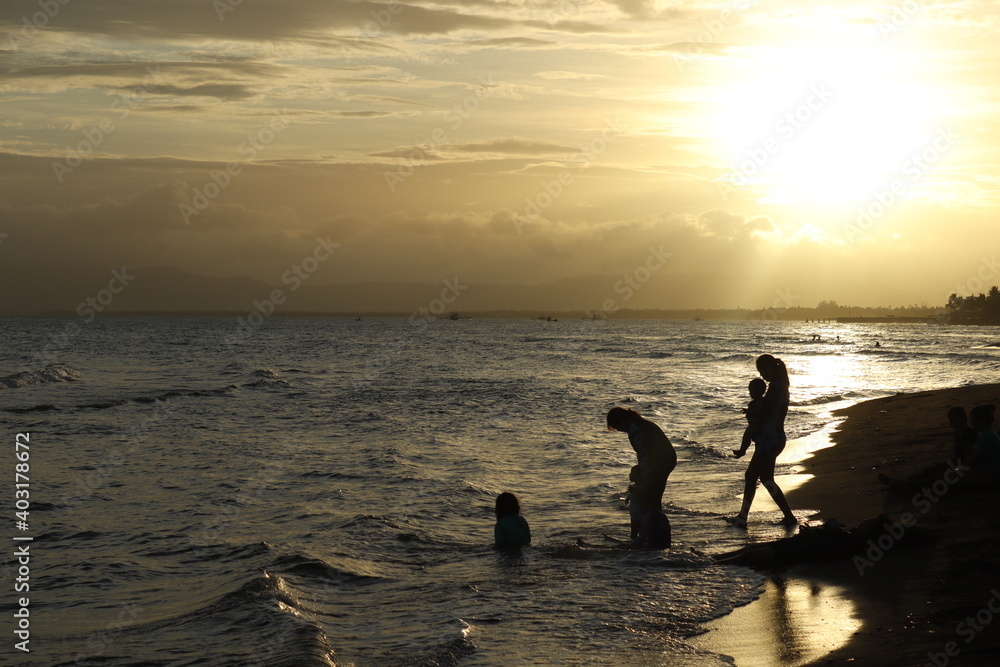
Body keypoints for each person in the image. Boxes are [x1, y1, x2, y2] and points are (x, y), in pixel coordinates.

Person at [727, 354, 797, 528]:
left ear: (770, 368)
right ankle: (743, 516)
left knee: (764, 478)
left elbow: (766, 412)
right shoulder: (781, 385)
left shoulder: (776, 387)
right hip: (774, 437)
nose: (762, 376)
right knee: (754, 476)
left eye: (763, 371)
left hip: (769, 438)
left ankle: (787, 516)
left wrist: (751, 413)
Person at [607, 407, 677, 539]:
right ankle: (654, 532)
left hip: (659, 463)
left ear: (622, 420)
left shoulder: (636, 430)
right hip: (665, 460)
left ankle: (651, 534)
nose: (618, 430)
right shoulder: (639, 424)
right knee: (654, 496)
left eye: (617, 426)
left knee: (650, 498)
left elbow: (644, 454)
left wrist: (644, 477)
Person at [878, 406, 983, 493]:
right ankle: (904, 482)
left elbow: (967, 459)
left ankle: (906, 485)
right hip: (955, 464)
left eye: (955, 419)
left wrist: (954, 470)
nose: (952, 423)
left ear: (963, 419)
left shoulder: (969, 433)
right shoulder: (958, 433)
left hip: (960, 468)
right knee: (929, 471)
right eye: (951, 420)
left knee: (934, 477)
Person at [733, 378, 767, 459]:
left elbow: (759, 411)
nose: (749, 393)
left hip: (756, 424)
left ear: (757, 391)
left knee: (747, 436)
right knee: (747, 437)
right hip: (753, 423)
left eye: (751, 391)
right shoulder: (757, 401)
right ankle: (742, 450)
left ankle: (742, 450)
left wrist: (749, 411)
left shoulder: (760, 401)